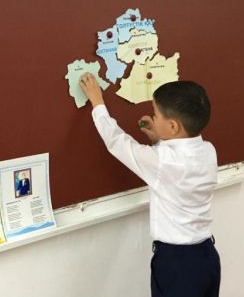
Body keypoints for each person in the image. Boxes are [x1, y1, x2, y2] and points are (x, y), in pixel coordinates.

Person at [79, 73, 220, 297]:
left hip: (176, 265)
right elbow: (172, 168)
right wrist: (159, 138)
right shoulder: (208, 150)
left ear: (173, 126)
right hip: (207, 257)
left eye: (156, 114)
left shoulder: (163, 162)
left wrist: (97, 102)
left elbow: (117, 142)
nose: (153, 117)